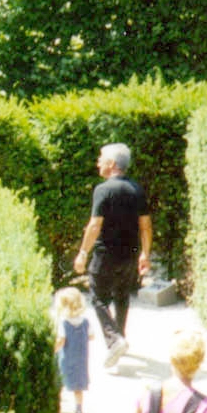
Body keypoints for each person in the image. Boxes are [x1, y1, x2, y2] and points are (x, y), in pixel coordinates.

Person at [71, 143, 151, 368]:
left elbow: (95, 224)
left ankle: (114, 339)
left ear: (112, 164)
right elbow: (145, 226)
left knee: (97, 297)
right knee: (122, 296)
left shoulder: (103, 190)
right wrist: (145, 254)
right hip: (130, 255)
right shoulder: (137, 190)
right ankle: (119, 338)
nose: (98, 162)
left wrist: (83, 253)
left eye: (101, 158)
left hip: (105, 254)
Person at [53, 287, 92, 413]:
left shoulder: (63, 323)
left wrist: (53, 349)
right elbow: (91, 336)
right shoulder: (85, 321)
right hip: (81, 358)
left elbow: (61, 340)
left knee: (60, 381)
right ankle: (79, 410)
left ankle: (56, 407)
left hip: (66, 357)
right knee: (78, 386)